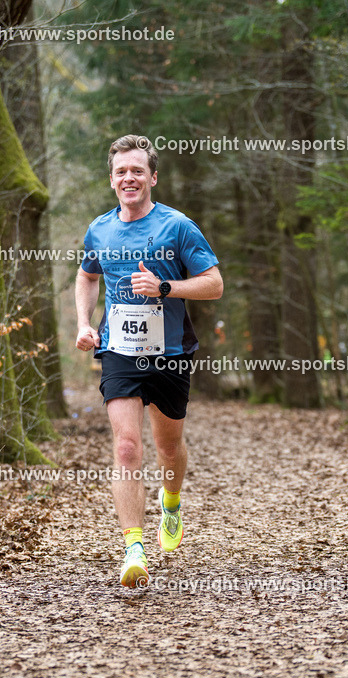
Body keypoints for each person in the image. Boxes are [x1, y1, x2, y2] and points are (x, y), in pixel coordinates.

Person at [75, 134, 223, 588]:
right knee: (125, 447)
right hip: (118, 350)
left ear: (152, 177)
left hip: (172, 352)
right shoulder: (99, 229)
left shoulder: (178, 227)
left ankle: (172, 501)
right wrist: (83, 322)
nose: (129, 178)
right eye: (121, 171)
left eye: (137, 170)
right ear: (112, 180)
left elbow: (214, 283)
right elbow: (85, 275)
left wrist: (165, 288)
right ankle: (133, 547)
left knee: (168, 448)